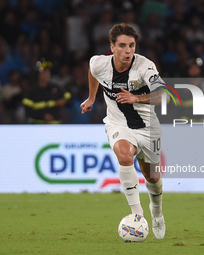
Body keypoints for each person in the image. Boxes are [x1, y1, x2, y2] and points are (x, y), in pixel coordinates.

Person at [80, 23, 169, 239]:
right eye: (122, 46)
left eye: (131, 45)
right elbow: (92, 72)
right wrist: (92, 97)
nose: (128, 50)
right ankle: (137, 214)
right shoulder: (99, 63)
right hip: (118, 123)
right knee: (124, 154)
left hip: (147, 128)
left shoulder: (145, 67)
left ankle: (156, 212)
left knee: (153, 178)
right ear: (112, 47)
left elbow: (165, 95)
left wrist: (136, 98)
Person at [22, 59, 71, 124]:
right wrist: (43, 116)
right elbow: (28, 111)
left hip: (55, 126)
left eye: (48, 71)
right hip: (36, 126)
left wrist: (64, 101)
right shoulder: (31, 91)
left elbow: (70, 99)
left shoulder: (55, 87)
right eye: (44, 71)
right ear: (38, 73)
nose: (47, 73)